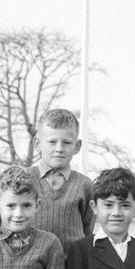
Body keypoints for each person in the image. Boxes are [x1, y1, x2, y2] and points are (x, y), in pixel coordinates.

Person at [32, 108, 95, 256]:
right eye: (52, 142)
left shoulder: (85, 185)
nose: (59, 148)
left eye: (66, 142)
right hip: (32, 268)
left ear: (77, 146)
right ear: (37, 144)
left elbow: (87, 230)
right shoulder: (24, 179)